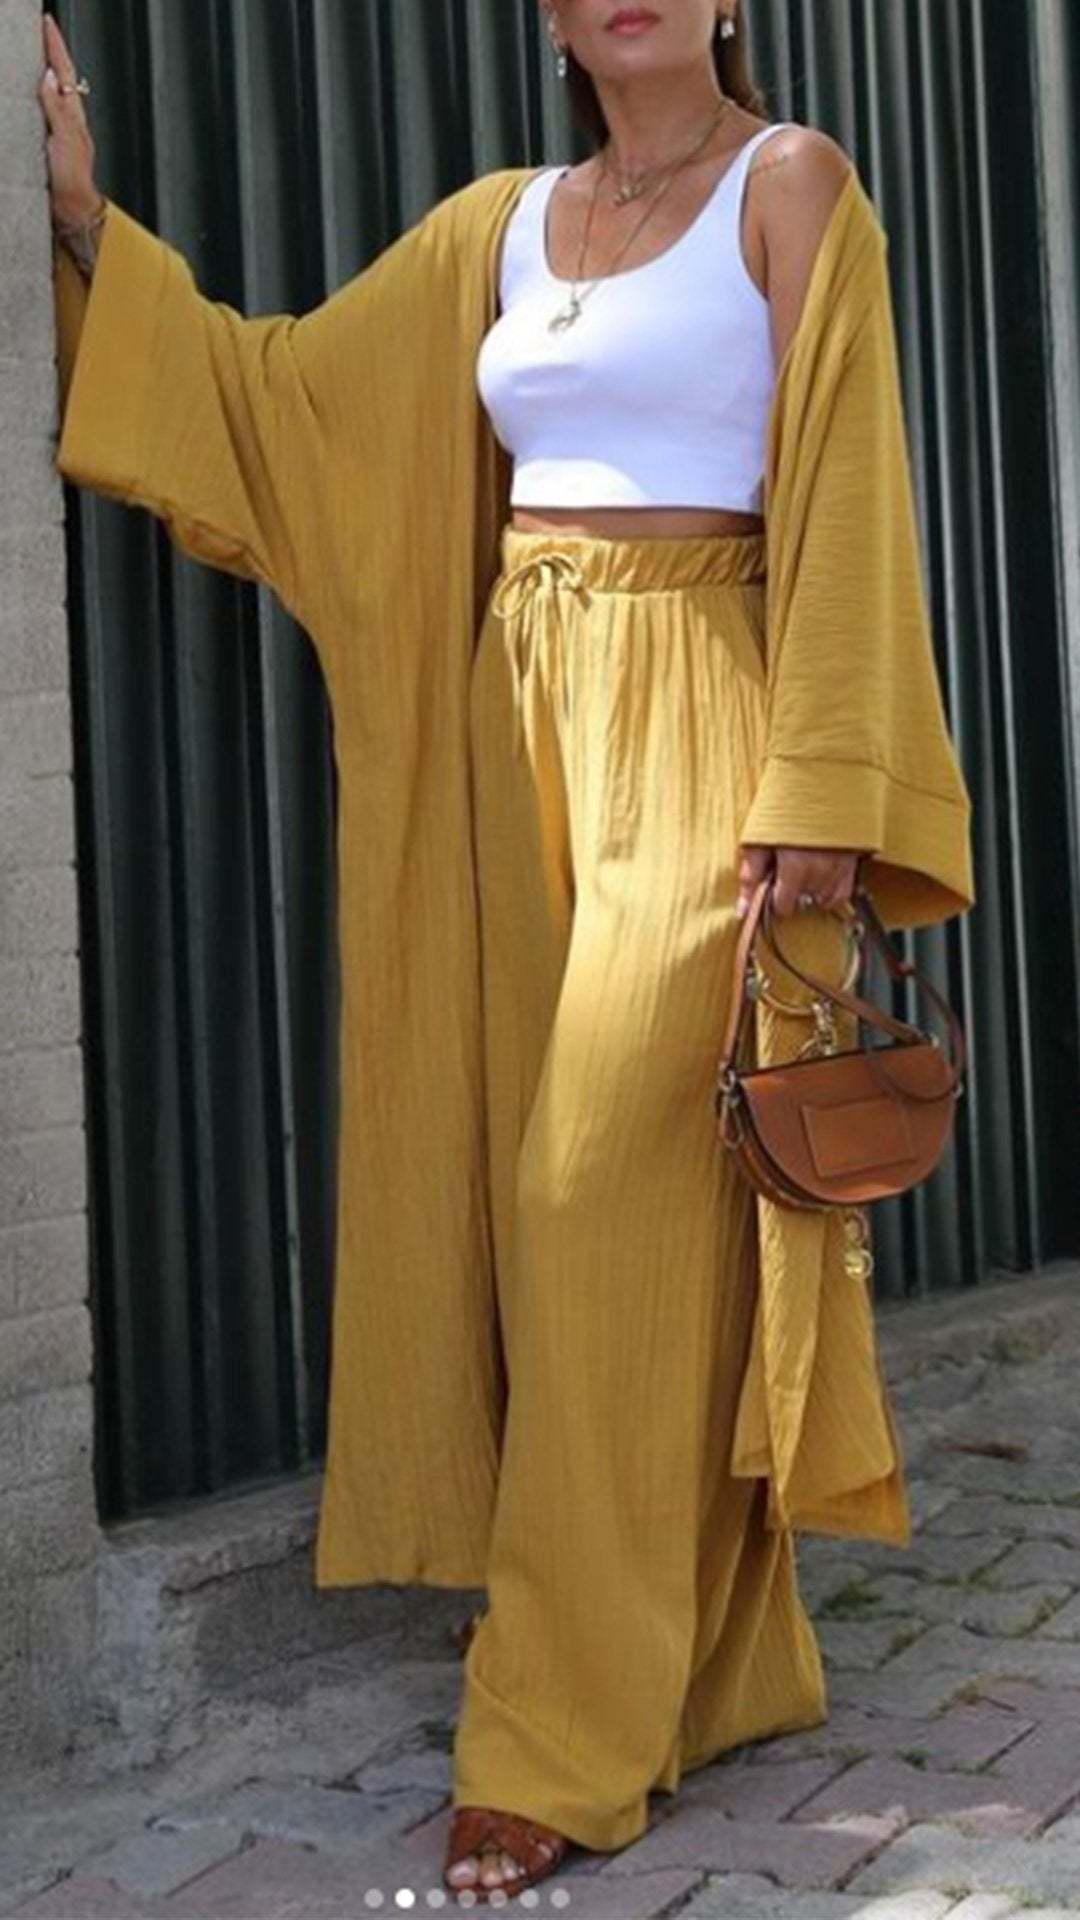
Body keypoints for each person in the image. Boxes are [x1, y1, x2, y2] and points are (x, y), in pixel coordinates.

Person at [40, 0, 974, 1901]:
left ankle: (553, 1732)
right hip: (513, 734)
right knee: (599, 1215)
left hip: (705, 720)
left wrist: (821, 780)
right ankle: (724, 1662)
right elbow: (287, 404)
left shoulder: (792, 184)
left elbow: (851, 486)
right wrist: (80, 225)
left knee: (593, 1203)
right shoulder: (501, 225)